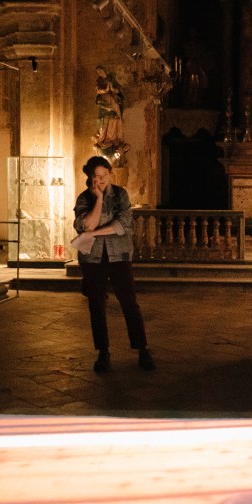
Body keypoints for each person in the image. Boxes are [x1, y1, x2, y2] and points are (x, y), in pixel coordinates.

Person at [73, 156, 154, 372]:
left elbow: (122, 225)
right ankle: (103, 352)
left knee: (129, 302)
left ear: (110, 175)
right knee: (96, 304)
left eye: (105, 175)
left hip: (119, 255)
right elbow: (86, 224)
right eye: (97, 176)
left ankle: (142, 349)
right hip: (93, 258)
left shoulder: (120, 195)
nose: (101, 180)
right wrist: (99, 199)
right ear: (90, 178)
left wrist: (94, 232)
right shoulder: (84, 198)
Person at [95, 65, 125, 145]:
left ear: (104, 70)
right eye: (98, 72)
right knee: (105, 119)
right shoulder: (99, 80)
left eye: (100, 71)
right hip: (104, 100)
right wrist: (105, 90)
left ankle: (115, 138)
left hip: (113, 100)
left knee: (115, 118)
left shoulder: (112, 78)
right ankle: (105, 138)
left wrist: (113, 89)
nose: (99, 73)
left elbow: (119, 89)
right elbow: (98, 90)